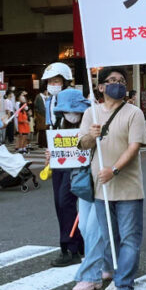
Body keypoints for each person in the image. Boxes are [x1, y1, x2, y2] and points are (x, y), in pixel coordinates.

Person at [78, 67, 146, 290]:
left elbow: (134, 147)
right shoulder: (91, 113)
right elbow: (82, 144)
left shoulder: (134, 113)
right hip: (101, 189)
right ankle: (118, 280)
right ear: (100, 87)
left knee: (129, 239)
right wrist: (91, 134)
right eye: (112, 81)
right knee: (110, 239)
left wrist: (114, 170)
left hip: (128, 187)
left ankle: (125, 289)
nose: (117, 84)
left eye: (121, 81)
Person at [44, 88, 88, 268]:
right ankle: (74, 243)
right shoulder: (59, 121)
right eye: (67, 110)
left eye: (74, 110)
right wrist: (49, 153)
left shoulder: (88, 120)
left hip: (80, 168)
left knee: (66, 202)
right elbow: (54, 143)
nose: (71, 114)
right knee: (60, 204)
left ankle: (71, 247)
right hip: (59, 166)